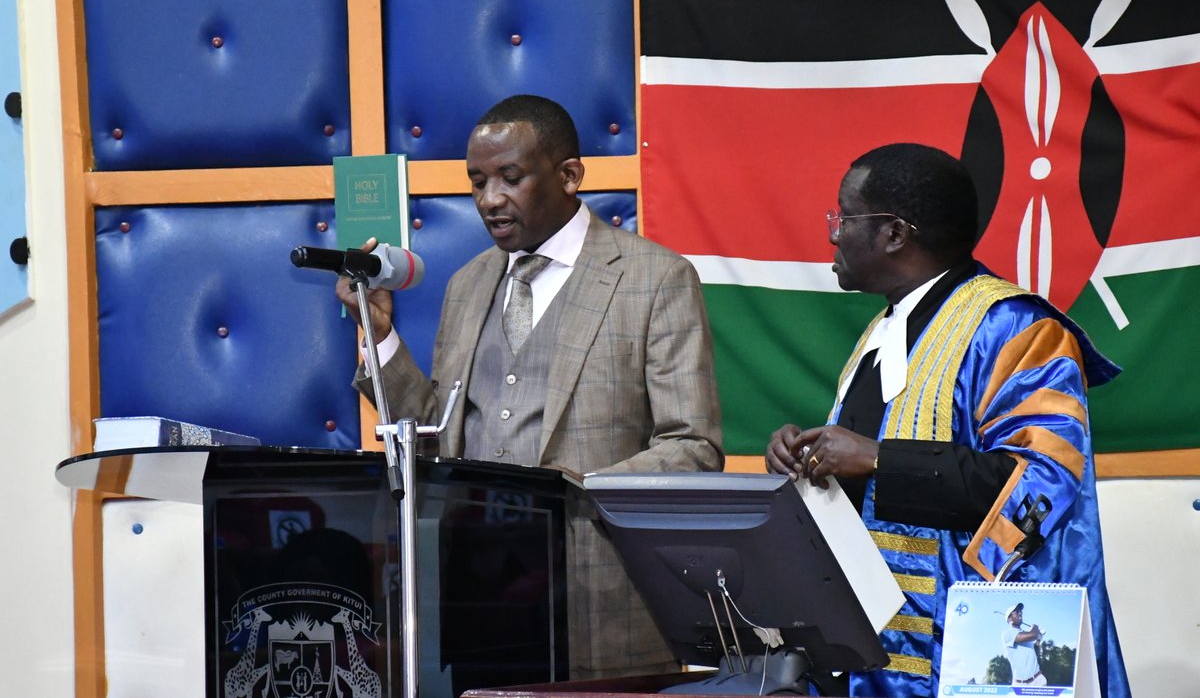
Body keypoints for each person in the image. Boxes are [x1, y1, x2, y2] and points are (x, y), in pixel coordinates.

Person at [337, 94, 723, 679]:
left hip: (599, 598)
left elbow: (693, 448)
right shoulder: (468, 285)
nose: (490, 200)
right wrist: (381, 336)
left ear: (569, 175)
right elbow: (434, 437)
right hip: (474, 600)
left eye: (510, 178)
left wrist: (570, 490)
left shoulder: (655, 279)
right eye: (477, 181)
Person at [764, 143, 1129, 698]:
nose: (833, 234)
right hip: (868, 646)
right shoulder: (882, 333)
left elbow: (1042, 481)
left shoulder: (1017, 329)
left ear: (894, 233)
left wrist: (877, 458)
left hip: (964, 650)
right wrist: (812, 458)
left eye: (844, 216)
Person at [1001, 603, 1046, 686]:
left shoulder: (1025, 634)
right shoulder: (1007, 634)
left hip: (1038, 679)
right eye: (1016, 612)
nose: (1020, 613)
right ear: (1010, 619)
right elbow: (1033, 635)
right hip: (1020, 684)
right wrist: (1035, 627)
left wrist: (1039, 639)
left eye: (1020, 611)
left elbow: (1034, 650)